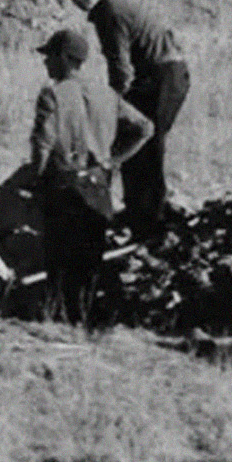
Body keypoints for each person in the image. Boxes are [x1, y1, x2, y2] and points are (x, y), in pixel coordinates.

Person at [27, 29, 154, 324]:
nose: (46, 63)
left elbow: (43, 144)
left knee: (59, 257)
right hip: (98, 184)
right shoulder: (106, 93)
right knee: (89, 259)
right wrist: (113, 160)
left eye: (49, 57)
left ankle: (57, 319)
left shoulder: (52, 93)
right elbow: (145, 128)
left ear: (62, 58)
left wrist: (35, 181)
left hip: (64, 184)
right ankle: (83, 319)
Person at [59, 0, 188, 232]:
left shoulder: (110, 12)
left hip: (162, 76)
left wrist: (112, 104)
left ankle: (150, 221)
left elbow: (121, 67)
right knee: (135, 143)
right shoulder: (109, 8)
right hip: (159, 75)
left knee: (146, 144)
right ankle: (139, 212)